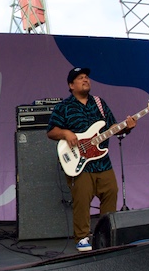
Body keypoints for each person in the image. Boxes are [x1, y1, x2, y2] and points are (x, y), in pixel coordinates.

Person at [47, 67, 136, 252]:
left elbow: (112, 127)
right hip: (79, 163)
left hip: (102, 161)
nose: (85, 80)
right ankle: (82, 237)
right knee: (81, 199)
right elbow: (51, 131)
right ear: (71, 85)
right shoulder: (63, 107)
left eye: (86, 77)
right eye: (80, 78)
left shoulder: (99, 103)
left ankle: (106, 233)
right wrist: (65, 132)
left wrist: (127, 127)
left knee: (111, 191)